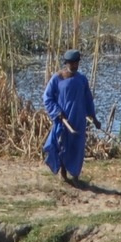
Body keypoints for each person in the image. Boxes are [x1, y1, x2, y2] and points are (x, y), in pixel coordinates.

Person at [42, 50, 97, 185]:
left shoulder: (82, 79)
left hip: (78, 119)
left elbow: (88, 99)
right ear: (66, 63)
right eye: (71, 63)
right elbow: (47, 98)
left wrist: (94, 117)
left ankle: (76, 176)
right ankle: (63, 174)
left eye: (76, 63)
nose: (74, 66)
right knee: (62, 146)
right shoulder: (57, 78)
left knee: (77, 147)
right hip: (64, 119)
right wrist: (56, 112)